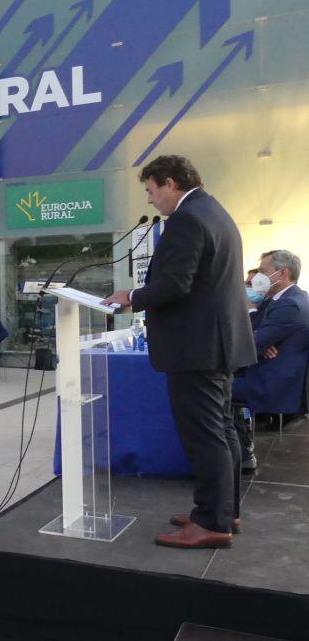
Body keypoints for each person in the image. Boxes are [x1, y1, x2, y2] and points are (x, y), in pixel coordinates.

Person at [103, 155, 255, 549]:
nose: (151, 200)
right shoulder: (213, 210)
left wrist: (131, 296)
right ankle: (222, 510)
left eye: (151, 191)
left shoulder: (187, 219)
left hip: (197, 347)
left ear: (170, 183)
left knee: (206, 434)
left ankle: (212, 521)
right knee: (220, 429)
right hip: (216, 343)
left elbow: (175, 284)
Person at [232, 250, 309, 465]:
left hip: (269, 382)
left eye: (264, 271)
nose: (258, 279)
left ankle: (238, 453)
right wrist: (260, 340)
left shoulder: (290, 304)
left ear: (282, 273)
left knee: (209, 389)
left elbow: (249, 343)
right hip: (263, 369)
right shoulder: (281, 298)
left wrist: (258, 340)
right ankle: (242, 448)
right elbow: (254, 330)